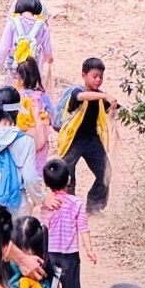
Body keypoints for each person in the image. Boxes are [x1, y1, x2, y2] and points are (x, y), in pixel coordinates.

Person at [57, 55, 115, 215]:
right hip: (73, 140)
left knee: (106, 172)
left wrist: (113, 107)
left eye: (101, 77)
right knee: (68, 174)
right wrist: (104, 96)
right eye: (94, 76)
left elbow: (112, 110)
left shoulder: (100, 97)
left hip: (92, 140)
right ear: (83, 75)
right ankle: (69, 207)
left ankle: (94, 206)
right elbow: (82, 97)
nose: (98, 80)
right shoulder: (78, 92)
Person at [41, 156, 95, 288]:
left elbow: (44, 229)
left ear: (46, 183)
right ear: (69, 180)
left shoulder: (47, 204)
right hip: (70, 254)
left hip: (50, 252)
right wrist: (89, 249)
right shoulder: (76, 203)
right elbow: (83, 228)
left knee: (50, 283)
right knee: (72, 285)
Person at [0, 86, 40, 209]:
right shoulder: (25, 141)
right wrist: (40, 199)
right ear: (17, 112)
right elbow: (29, 177)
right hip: (15, 204)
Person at [0, 0, 54, 85]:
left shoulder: (12, 23)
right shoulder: (42, 26)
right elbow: (47, 48)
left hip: (14, 67)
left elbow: (4, 47)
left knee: (13, 90)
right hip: (34, 69)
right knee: (32, 91)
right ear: (37, 6)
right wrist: (49, 57)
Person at [14, 55, 53, 162]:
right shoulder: (43, 96)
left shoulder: (16, 96)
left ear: (21, 78)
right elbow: (52, 118)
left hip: (20, 139)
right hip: (40, 140)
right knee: (39, 166)